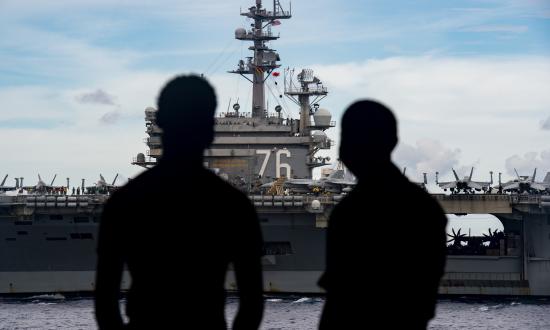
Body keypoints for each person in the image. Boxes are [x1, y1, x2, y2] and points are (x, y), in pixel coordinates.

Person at [95, 75, 264, 329]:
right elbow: (252, 303)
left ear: (160, 123)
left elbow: (105, 303)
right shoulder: (235, 206)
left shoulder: (123, 201)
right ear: (209, 130)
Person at [318, 100, 447, 330]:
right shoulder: (427, 210)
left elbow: (337, 306)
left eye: (351, 140)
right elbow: (423, 304)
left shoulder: (347, 214)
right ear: (393, 142)